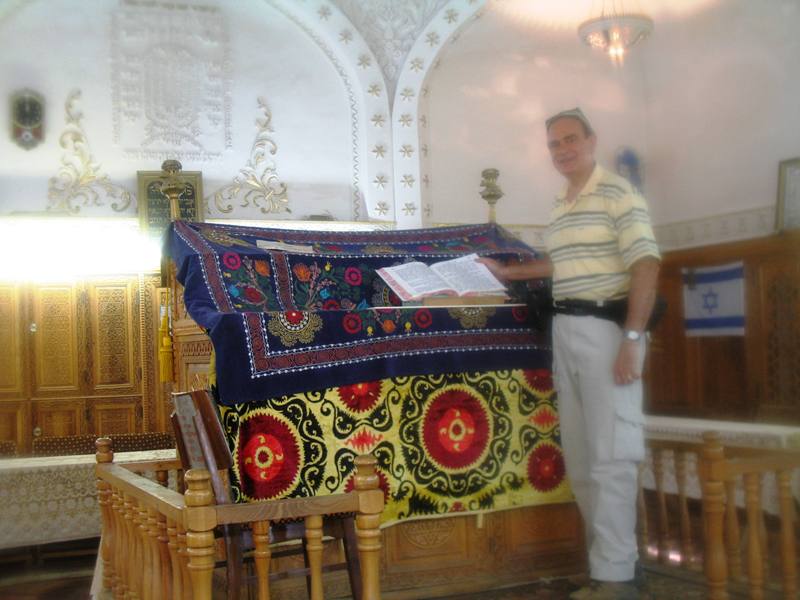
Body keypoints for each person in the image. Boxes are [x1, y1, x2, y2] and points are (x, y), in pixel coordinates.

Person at [480, 107, 660, 600]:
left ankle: (620, 576)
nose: (562, 150)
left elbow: (645, 264)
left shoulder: (619, 193)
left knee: (613, 456)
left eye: (570, 140)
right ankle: (607, 570)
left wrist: (631, 340)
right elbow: (558, 264)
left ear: (591, 140)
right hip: (566, 331)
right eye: (554, 144)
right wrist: (505, 273)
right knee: (582, 461)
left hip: (608, 332)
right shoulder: (562, 203)